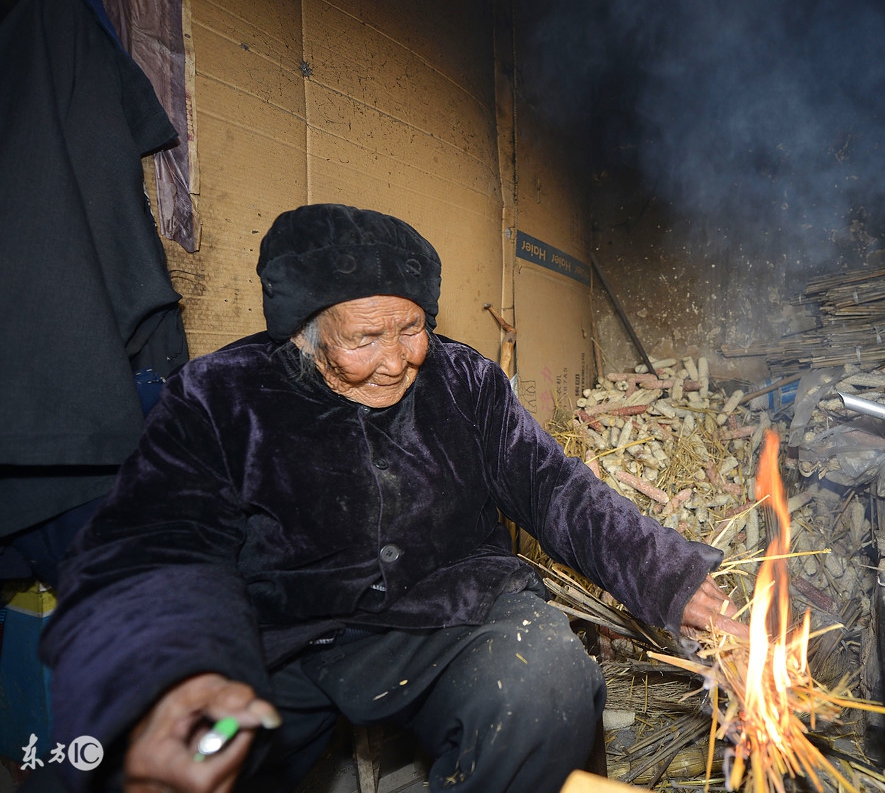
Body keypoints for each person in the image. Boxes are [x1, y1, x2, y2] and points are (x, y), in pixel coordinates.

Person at [41, 204, 746, 793]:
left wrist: (671, 579)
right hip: (284, 636)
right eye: (365, 338)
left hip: (449, 611)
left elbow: (552, 484)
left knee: (546, 683)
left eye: (413, 329)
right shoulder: (219, 397)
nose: (396, 359)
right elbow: (157, 546)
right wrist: (172, 676)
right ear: (302, 333)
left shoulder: (464, 379)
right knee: (191, 753)